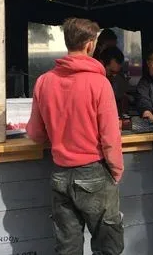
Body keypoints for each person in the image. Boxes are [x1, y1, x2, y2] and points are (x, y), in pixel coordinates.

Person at [26, 18, 124, 255]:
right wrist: (116, 171)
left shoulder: (44, 81)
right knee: (107, 247)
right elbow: (110, 136)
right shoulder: (99, 83)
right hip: (94, 171)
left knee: (67, 248)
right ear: (91, 45)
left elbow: (36, 135)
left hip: (60, 172)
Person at [99, 45, 130, 114]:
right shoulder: (94, 83)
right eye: (111, 71)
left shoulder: (119, 79)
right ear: (101, 64)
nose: (114, 75)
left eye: (117, 72)